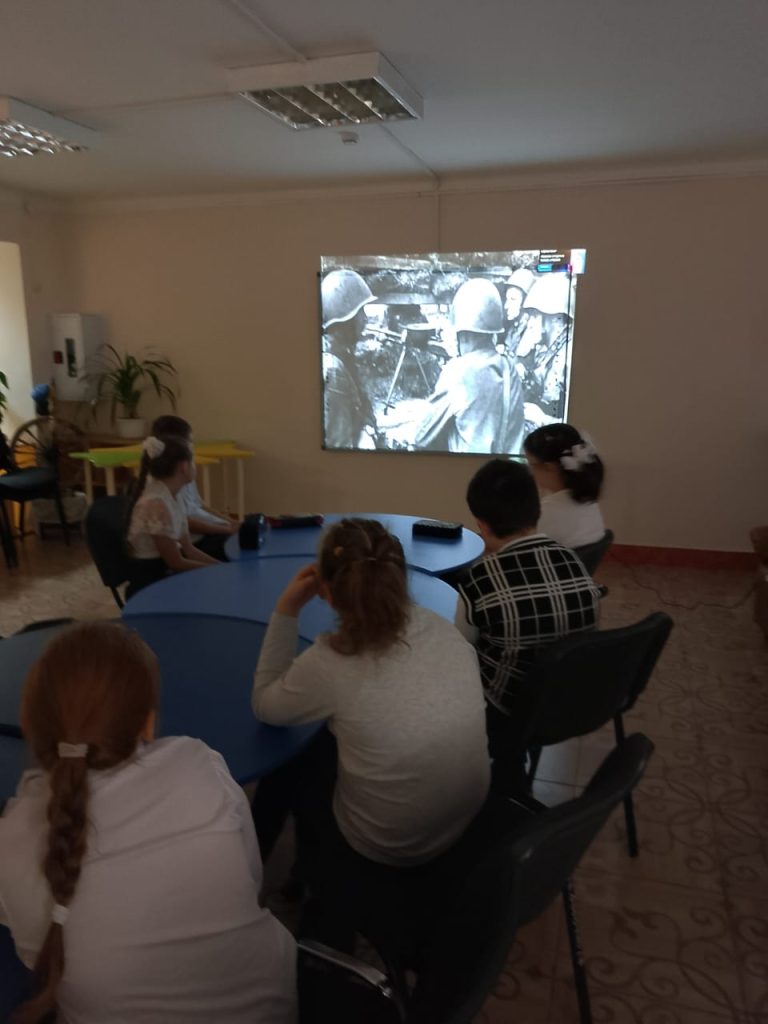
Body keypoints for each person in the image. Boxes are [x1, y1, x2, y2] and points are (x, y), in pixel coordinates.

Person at [0, 621, 296, 1024]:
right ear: (148, 723)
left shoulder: (11, 843)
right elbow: (252, 880)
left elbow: (36, 955)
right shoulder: (199, 765)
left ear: (30, 725)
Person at [251, 518, 490, 947]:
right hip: (462, 823)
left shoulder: (332, 662)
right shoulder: (441, 627)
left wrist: (286, 608)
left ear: (325, 590)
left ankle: (308, 891)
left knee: (292, 765)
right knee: (334, 738)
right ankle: (303, 880)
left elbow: (266, 706)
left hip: (388, 842)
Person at [455, 460, 601, 791]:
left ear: (481, 525)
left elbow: (460, 654)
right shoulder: (575, 562)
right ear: (537, 511)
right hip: (572, 702)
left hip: (506, 713)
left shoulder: (480, 580)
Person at [414, 278, 524, 454]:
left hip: (469, 469)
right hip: (508, 468)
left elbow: (421, 435)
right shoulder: (509, 368)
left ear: (462, 335)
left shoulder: (456, 371)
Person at [125, 433, 219, 597]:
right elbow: (176, 563)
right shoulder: (156, 504)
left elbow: (189, 549)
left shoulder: (175, 494)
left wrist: (223, 568)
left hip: (166, 570)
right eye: (193, 462)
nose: (194, 467)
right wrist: (220, 571)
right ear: (184, 466)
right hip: (151, 580)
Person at [152, 414, 237, 561]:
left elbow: (199, 505)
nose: (193, 448)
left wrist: (231, 522)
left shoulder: (183, 476)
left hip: (204, 535)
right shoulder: (164, 486)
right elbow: (186, 525)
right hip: (197, 540)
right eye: (190, 442)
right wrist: (226, 529)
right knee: (240, 547)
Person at [524, 423, 606, 548]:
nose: (530, 472)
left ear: (548, 468)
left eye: (531, 464)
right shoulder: (590, 503)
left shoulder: (546, 513)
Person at [321, 269, 378, 449]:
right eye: (361, 312)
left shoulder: (344, 355)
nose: (366, 318)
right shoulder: (333, 370)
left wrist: (367, 428)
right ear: (347, 319)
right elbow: (339, 444)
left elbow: (363, 405)